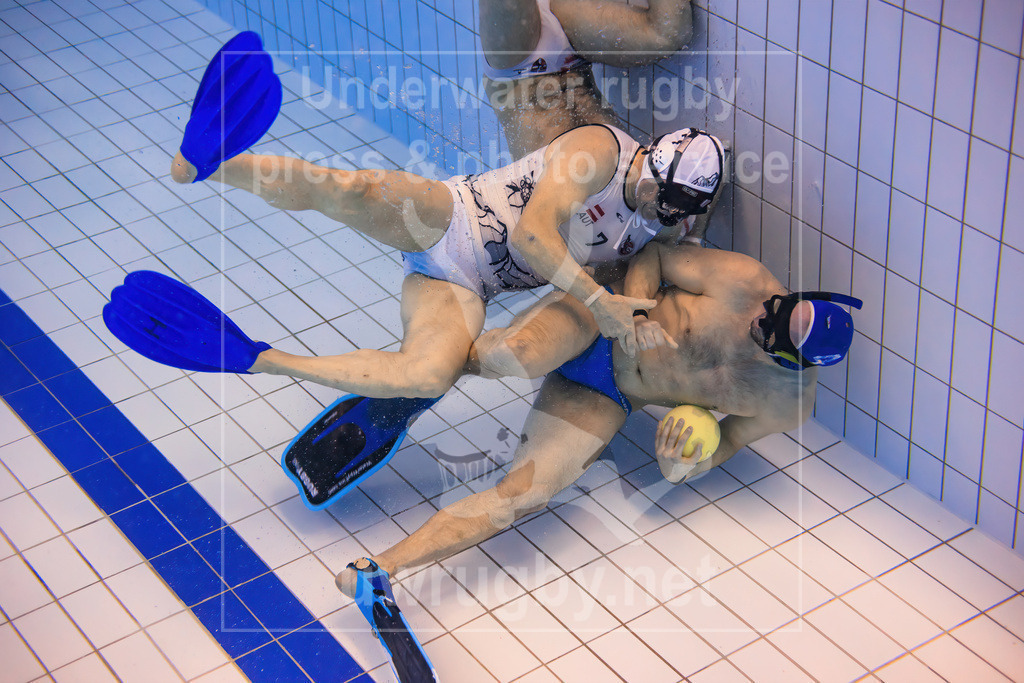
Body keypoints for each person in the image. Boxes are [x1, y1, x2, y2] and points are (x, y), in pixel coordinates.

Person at [335, 241, 862, 593]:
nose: (759, 318)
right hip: (600, 318)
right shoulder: (745, 281)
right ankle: (409, 384)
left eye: (767, 333)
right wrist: (631, 312)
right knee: (508, 357)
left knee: (523, 496)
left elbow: (726, 444)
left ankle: (380, 568)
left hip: (608, 394)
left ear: (790, 360)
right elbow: (654, 255)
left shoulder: (786, 402)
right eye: (775, 308)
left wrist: (681, 467)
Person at [170, 123, 726, 401]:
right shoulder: (599, 151)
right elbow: (532, 236)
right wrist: (598, 300)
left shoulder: (669, 219)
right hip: (451, 216)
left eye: (676, 209)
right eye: (659, 194)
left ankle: (262, 360)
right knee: (354, 189)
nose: (661, 212)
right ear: (651, 160)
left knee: (430, 376)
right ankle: (210, 164)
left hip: (467, 287)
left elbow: (671, 260)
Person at [480, 0, 694, 158]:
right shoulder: (630, 191)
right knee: (668, 33)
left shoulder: (555, 204)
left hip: (517, 65)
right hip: (574, 56)